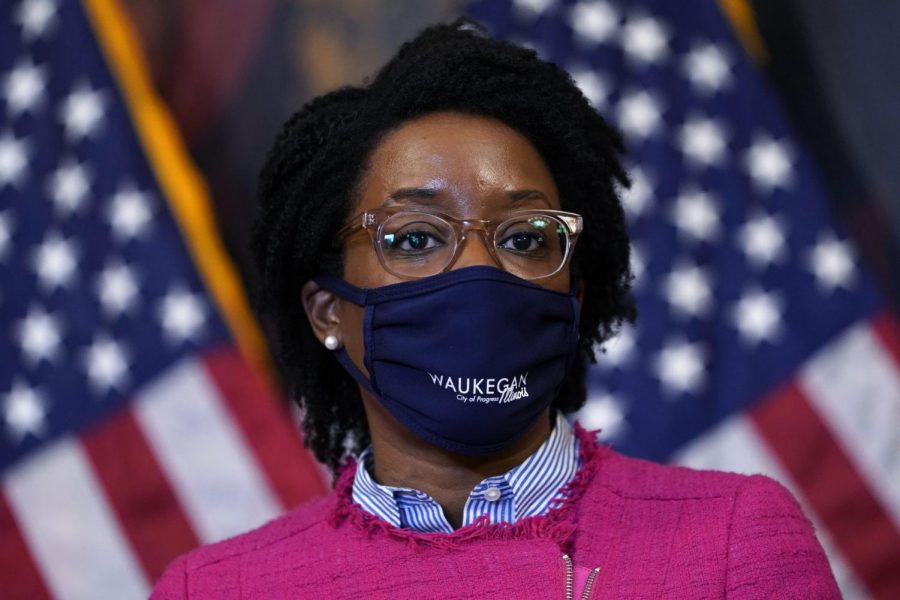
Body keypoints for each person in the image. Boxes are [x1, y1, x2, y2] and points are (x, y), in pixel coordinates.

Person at [152, 19, 839, 599]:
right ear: (328, 311)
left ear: (574, 291)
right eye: (416, 238)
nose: (479, 270)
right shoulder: (215, 589)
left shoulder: (734, 538)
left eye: (525, 238)